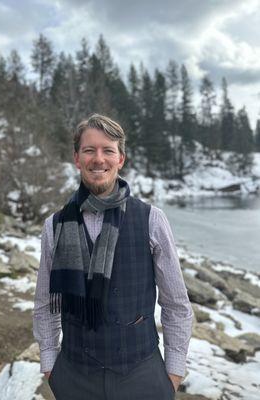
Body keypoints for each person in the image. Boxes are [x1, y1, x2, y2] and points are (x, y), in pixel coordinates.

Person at [33, 114, 194, 400]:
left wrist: (173, 372)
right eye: (89, 150)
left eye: (108, 150)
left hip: (142, 374)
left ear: (120, 159)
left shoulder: (152, 220)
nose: (99, 159)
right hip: (74, 376)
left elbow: (176, 303)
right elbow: (45, 303)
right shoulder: (54, 225)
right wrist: (49, 364)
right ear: (77, 158)